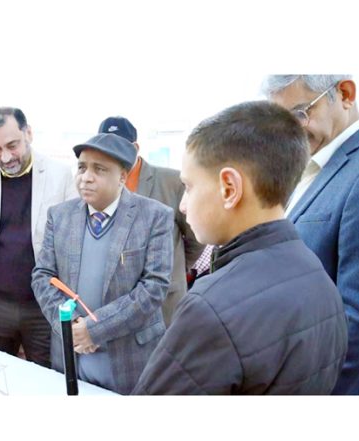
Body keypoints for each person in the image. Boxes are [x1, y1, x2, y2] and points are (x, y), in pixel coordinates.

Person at [132, 101, 348, 395]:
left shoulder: (210, 309)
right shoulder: (320, 280)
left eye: (190, 186)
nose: (182, 204)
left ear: (229, 188)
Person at [264, 75, 359, 395]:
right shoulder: (313, 167)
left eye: (301, 113)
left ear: (344, 94)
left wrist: (299, 392)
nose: (290, 131)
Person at [31, 133, 173, 394]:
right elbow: (42, 275)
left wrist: (95, 330)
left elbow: (154, 287)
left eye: (99, 169)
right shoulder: (60, 216)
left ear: (122, 176)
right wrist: (71, 327)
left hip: (129, 358)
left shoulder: (154, 216)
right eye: (82, 167)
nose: (86, 177)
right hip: (72, 355)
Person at [0, 107, 76, 367]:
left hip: (43, 308)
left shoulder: (60, 175)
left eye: (12, 145)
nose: (5, 156)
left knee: (47, 381)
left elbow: (74, 242)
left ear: (28, 133)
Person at [98, 117, 203, 325]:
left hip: (164, 301)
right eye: (106, 146)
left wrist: (172, 268)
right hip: (118, 305)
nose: (111, 153)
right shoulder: (97, 186)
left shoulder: (172, 181)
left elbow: (195, 237)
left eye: (119, 145)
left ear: (135, 147)